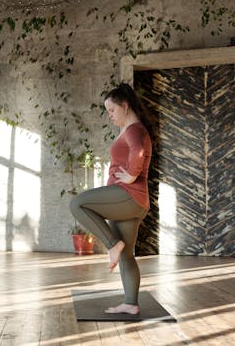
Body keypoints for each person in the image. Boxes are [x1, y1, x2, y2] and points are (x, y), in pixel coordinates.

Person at [70, 83, 152, 315]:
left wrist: (133, 174)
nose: (110, 115)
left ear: (125, 106)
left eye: (112, 110)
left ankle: (112, 245)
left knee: (77, 204)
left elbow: (138, 151)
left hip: (127, 196)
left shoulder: (134, 129)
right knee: (127, 256)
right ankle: (130, 303)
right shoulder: (133, 129)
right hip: (135, 203)